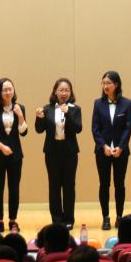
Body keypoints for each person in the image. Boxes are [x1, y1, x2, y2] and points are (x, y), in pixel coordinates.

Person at [35, 77, 82, 229]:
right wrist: (39, 118)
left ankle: (68, 219)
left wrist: (67, 113)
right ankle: (57, 219)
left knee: (69, 186)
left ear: (70, 93)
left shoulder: (75, 109)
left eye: (67, 90)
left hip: (70, 153)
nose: (64, 93)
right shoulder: (47, 109)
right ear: (55, 92)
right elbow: (39, 129)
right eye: (61, 90)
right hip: (52, 153)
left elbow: (78, 128)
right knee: (54, 186)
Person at [0, 77, 28, 233]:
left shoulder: (20, 107)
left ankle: (13, 220)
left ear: (14, 90)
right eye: (5, 90)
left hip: (16, 156)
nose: (8, 92)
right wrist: (2, 147)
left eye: (10, 89)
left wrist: (20, 116)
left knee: (14, 188)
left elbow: (24, 132)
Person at [91, 70, 131, 231]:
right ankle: (106, 217)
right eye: (103, 83)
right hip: (103, 151)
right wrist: (103, 146)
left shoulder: (127, 103)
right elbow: (95, 128)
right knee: (104, 184)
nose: (105, 86)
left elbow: (128, 128)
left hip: (121, 151)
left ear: (116, 84)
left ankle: (119, 217)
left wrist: (121, 147)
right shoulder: (98, 103)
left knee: (119, 184)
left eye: (108, 83)